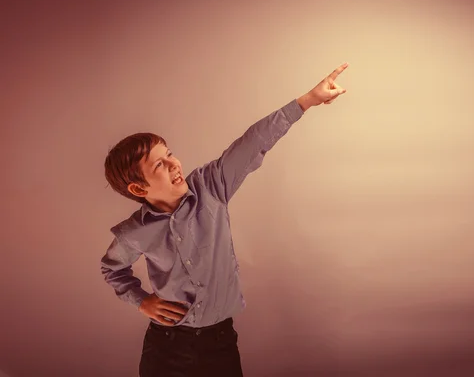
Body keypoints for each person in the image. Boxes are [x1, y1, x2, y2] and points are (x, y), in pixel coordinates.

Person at [100, 63, 349, 376]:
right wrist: (141, 301)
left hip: (220, 342)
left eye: (170, 153)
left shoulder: (211, 187)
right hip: (166, 347)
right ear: (139, 188)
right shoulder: (134, 232)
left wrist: (305, 101)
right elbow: (112, 268)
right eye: (159, 165)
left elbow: (251, 143)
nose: (175, 164)